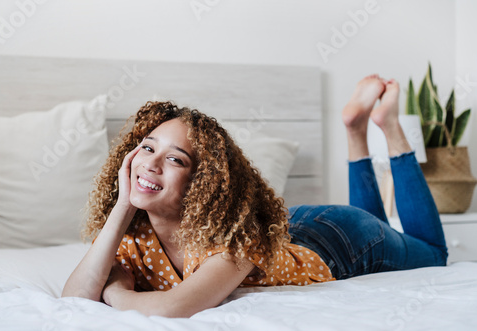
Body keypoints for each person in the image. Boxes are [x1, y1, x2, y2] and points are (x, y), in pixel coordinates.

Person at [62, 75, 448, 318]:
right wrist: (123, 206)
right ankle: (357, 129)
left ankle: (389, 126)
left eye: (175, 159)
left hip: (338, 241)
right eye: (147, 148)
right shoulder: (133, 236)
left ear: (202, 182)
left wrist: (115, 294)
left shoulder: (234, 243)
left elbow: (172, 308)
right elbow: (75, 297)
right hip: (287, 230)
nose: (151, 163)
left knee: (433, 252)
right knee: (390, 229)